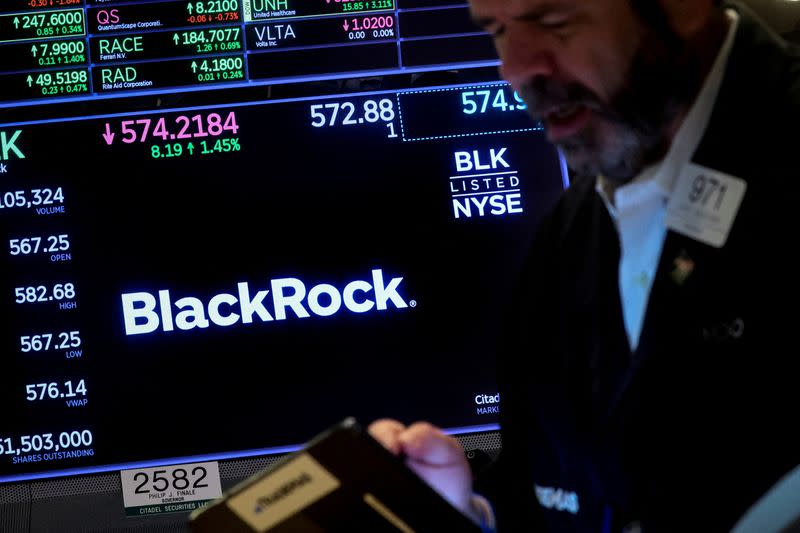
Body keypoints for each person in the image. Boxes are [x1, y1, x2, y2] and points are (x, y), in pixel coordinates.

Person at [369, 0, 800, 531]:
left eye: (553, 20)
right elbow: (558, 494)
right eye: (497, 30)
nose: (516, 67)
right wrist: (462, 512)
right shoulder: (571, 234)